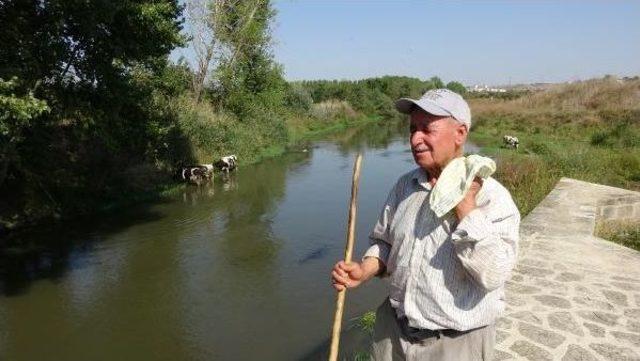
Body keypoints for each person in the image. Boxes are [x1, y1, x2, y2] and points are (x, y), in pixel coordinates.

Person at [330, 89, 520, 361]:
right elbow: (384, 242)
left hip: (455, 345)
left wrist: (465, 204)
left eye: (427, 129)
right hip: (393, 333)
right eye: (412, 129)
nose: (415, 139)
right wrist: (363, 270)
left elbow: (494, 274)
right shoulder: (405, 186)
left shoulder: (492, 197)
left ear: (460, 133)